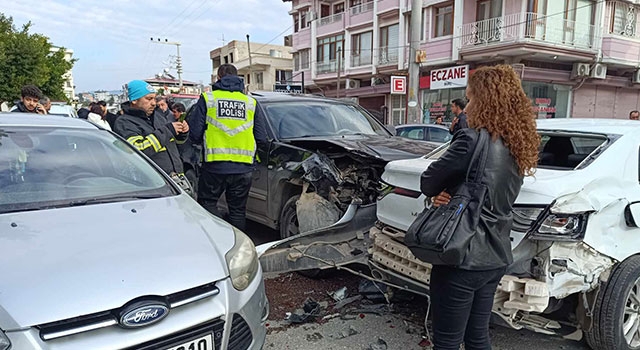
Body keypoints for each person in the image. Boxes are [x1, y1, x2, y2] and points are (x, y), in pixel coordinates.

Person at [420, 65, 539, 350]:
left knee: (447, 342)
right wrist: (453, 190)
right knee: (478, 338)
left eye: (471, 99)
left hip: (462, 253)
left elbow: (428, 181)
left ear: (484, 100)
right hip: (496, 255)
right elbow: (485, 189)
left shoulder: (471, 139)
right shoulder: (518, 144)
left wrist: (443, 190)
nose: (467, 107)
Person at [188, 63, 268, 231]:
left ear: (219, 78)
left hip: (214, 166)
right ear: (238, 77)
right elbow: (261, 137)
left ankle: (217, 237)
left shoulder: (209, 99)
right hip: (243, 168)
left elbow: (194, 133)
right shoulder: (251, 102)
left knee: (207, 204)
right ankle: (238, 247)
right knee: (238, 211)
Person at [113, 80, 190, 184]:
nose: (154, 103)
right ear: (134, 100)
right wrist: (168, 131)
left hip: (176, 180)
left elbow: (172, 142)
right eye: (148, 99)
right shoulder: (124, 122)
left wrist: (181, 133)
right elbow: (137, 150)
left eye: (154, 98)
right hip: (152, 184)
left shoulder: (158, 116)